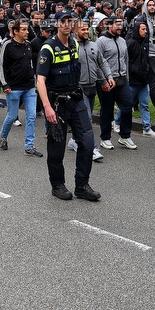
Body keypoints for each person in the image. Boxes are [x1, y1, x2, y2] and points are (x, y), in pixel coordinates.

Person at [37, 12, 101, 202]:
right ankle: (57, 185)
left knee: (88, 143)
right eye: (63, 22)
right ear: (57, 24)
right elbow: (40, 81)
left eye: (70, 21)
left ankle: (82, 185)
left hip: (75, 99)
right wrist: (47, 108)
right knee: (57, 148)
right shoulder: (48, 48)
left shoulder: (73, 43)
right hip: (57, 104)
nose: (67, 25)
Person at [0, 18, 41, 156]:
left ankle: (29, 145)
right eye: (23, 29)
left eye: (27, 29)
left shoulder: (28, 45)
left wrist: (35, 81)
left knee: (32, 116)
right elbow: (0, 66)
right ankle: (3, 136)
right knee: (12, 116)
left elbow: (31, 65)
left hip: (29, 87)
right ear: (15, 31)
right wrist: (5, 85)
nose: (27, 32)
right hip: (13, 88)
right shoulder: (8, 45)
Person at [69, 19, 111, 161]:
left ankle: (74, 140)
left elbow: (100, 64)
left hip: (92, 86)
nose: (86, 32)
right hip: (79, 89)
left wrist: (106, 79)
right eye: (83, 30)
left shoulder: (94, 45)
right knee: (86, 119)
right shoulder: (71, 47)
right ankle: (92, 148)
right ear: (75, 31)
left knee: (86, 117)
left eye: (87, 29)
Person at [96, 16, 135, 149]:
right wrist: (103, 81)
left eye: (121, 25)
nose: (120, 27)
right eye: (117, 25)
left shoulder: (123, 41)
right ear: (108, 25)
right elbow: (98, 63)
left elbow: (126, 60)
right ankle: (105, 138)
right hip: (107, 81)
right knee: (107, 110)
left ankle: (125, 136)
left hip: (122, 79)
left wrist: (127, 78)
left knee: (127, 106)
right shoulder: (101, 41)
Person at [125, 19, 155, 138]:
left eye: (146, 29)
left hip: (144, 79)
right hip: (133, 80)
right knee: (127, 104)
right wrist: (133, 71)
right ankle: (117, 122)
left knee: (145, 104)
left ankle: (146, 127)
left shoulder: (145, 43)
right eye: (143, 29)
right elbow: (128, 60)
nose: (145, 31)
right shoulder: (131, 43)